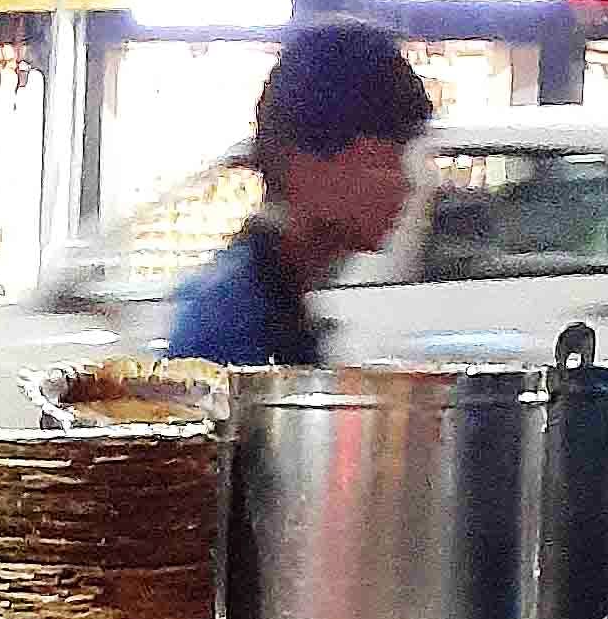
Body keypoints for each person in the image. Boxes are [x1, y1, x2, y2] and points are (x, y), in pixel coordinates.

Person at [166, 20, 434, 369]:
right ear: (303, 163)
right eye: (385, 159)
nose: (405, 184)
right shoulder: (230, 321)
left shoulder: (278, 294)